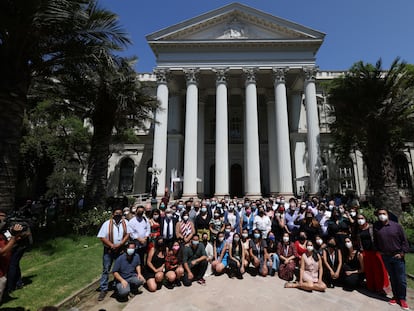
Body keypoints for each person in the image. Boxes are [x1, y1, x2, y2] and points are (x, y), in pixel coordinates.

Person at [374, 208, 410, 310]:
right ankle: (395, 296)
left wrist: (402, 253)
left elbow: (404, 241)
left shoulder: (396, 226)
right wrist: (379, 250)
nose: (381, 215)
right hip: (386, 256)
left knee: (401, 279)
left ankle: (402, 299)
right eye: (379, 214)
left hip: (397, 256)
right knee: (393, 278)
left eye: (383, 213)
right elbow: (376, 241)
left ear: (388, 214)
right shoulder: (377, 227)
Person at [96, 207, 130, 301]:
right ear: (112, 214)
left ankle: (117, 285)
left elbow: (128, 234)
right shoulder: (107, 224)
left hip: (121, 249)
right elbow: (102, 237)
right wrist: (111, 245)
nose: (118, 215)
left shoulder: (125, 222)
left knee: (119, 268)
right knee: (106, 269)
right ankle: (104, 289)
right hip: (109, 250)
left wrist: (121, 243)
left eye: (120, 213)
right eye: (116, 213)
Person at [356, 213, 390, 294]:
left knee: (378, 270)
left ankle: (381, 287)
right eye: (358, 219)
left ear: (365, 219)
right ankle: (371, 286)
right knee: (369, 270)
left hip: (375, 251)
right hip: (365, 252)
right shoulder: (358, 229)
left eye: (361, 218)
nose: (360, 220)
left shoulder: (372, 227)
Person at [0, 210, 23, 303]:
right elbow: (2, 252)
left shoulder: (2, 234)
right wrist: (14, 238)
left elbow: (7, 245)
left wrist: (14, 237)